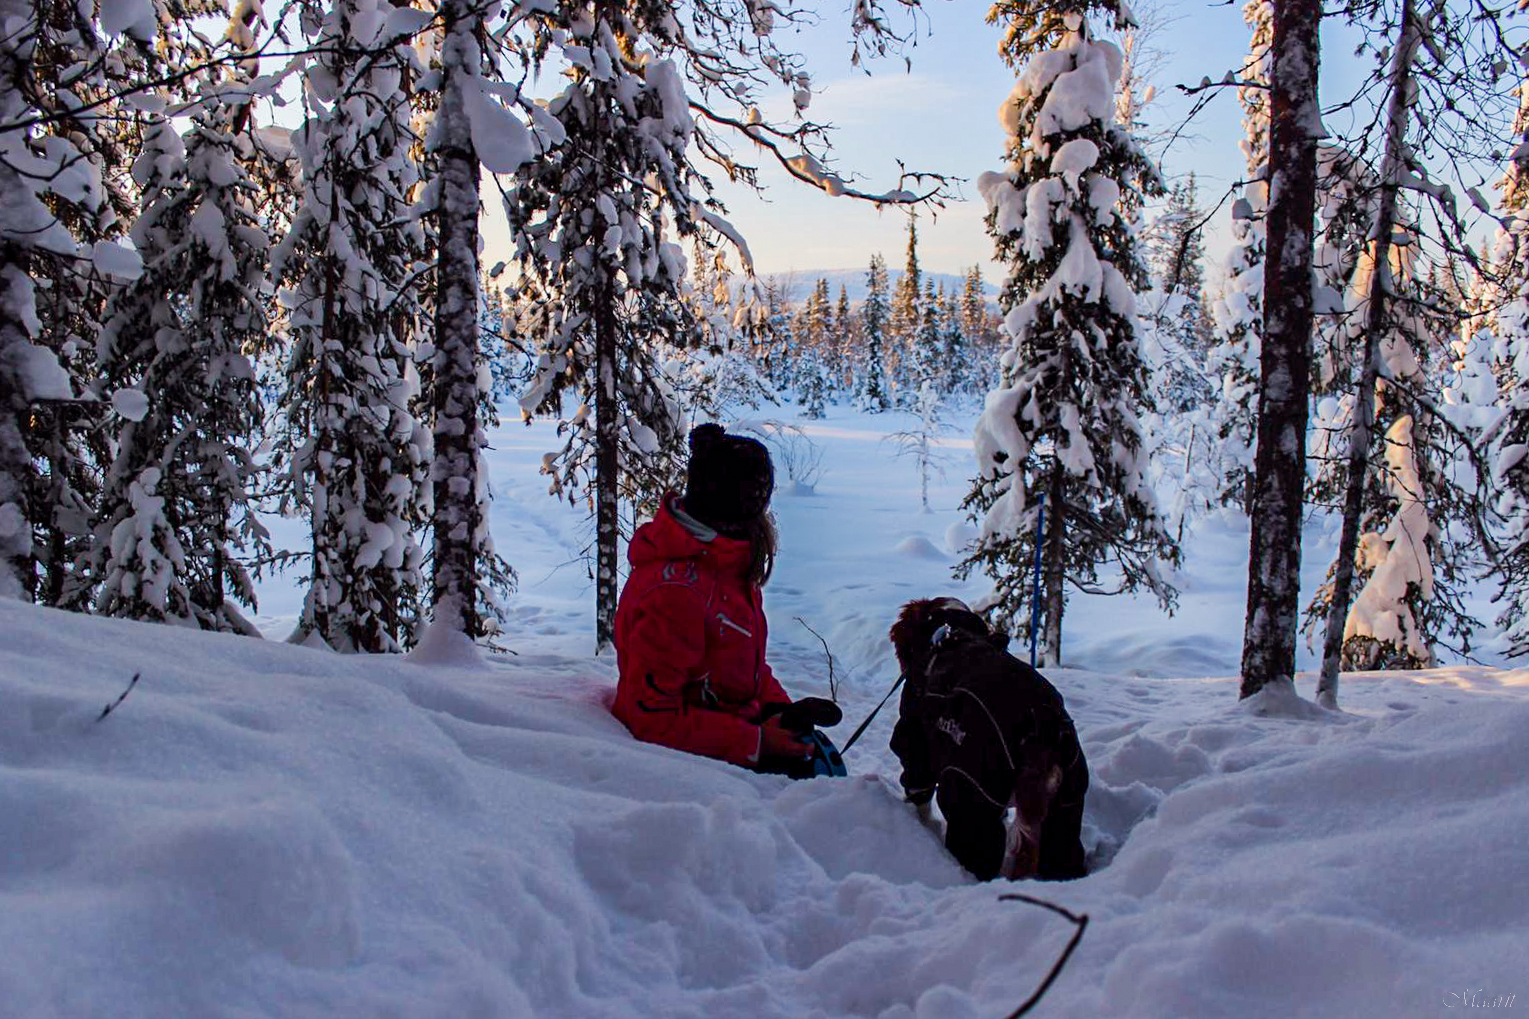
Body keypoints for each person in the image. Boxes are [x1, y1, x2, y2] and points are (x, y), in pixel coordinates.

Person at [611, 423, 817, 773]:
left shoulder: (724, 565)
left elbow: (735, 669)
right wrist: (757, 743)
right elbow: (650, 719)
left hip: (730, 741)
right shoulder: (677, 596)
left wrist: (781, 711)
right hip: (698, 771)